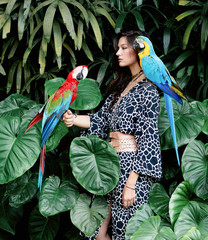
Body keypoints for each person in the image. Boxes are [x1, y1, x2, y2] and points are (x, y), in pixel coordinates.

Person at [63, 30, 162, 240]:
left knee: (125, 232)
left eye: (124, 48)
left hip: (131, 171)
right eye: (118, 48)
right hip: (110, 165)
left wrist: (131, 184)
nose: (118, 52)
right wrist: (73, 119)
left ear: (138, 50)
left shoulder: (149, 90)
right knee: (97, 232)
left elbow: (149, 138)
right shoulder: (123, 87)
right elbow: (99, 120)